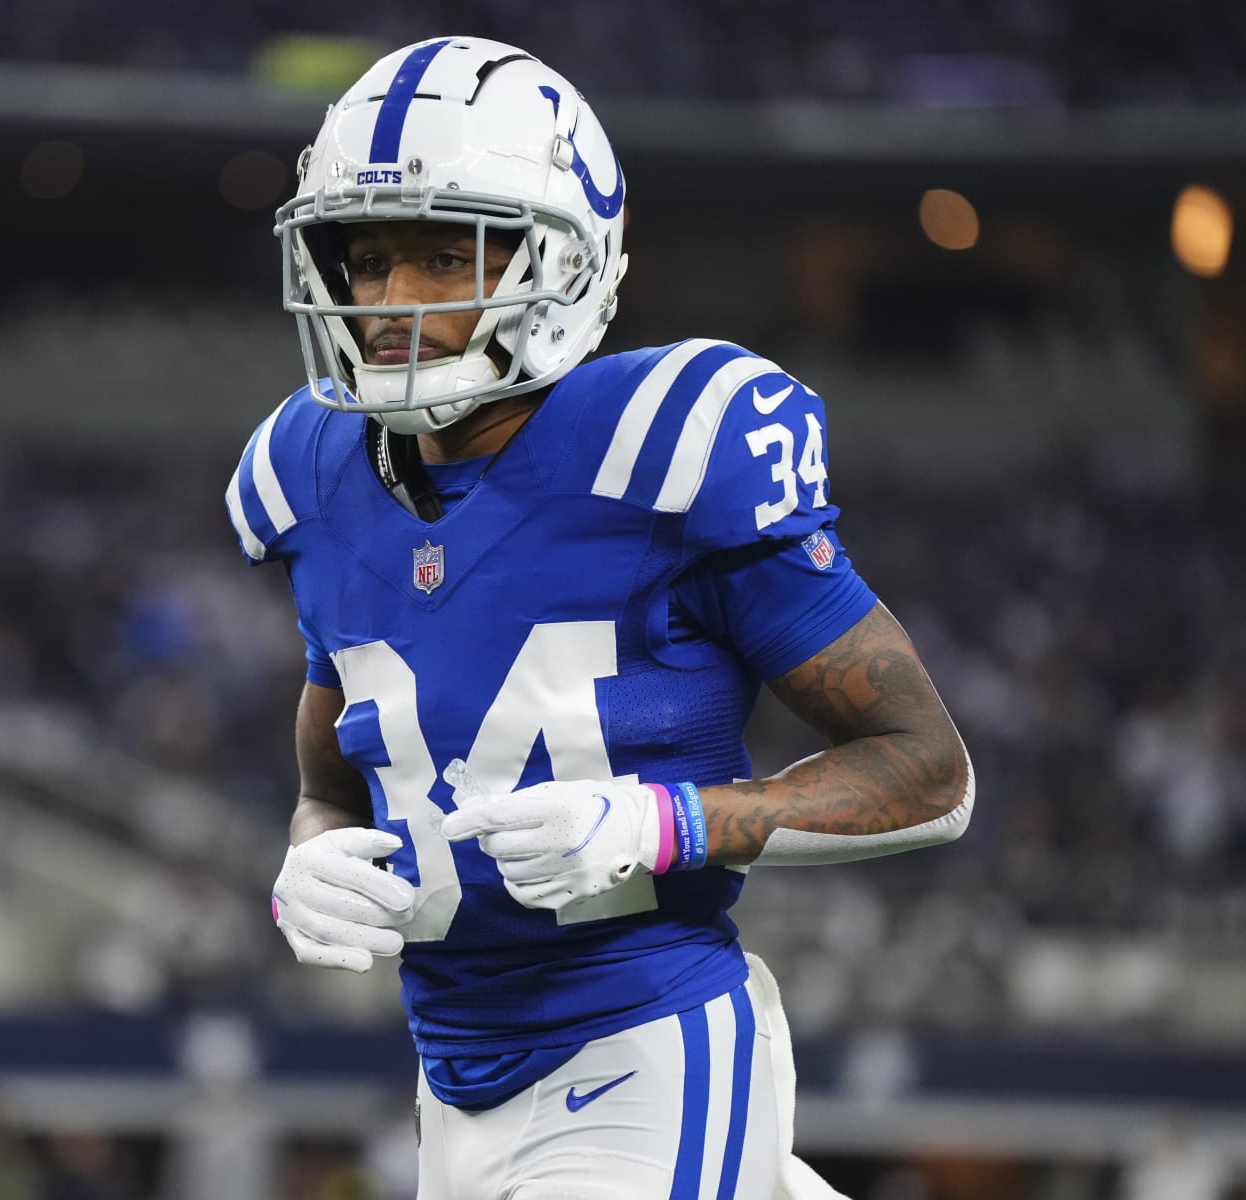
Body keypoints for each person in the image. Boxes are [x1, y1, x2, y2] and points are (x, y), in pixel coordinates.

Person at [226, 36, 974, 1200]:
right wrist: (306, 852)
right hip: (450, 1084)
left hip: (647, 1045)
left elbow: (930, 771)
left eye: (445, 253)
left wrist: (664, 824)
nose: (388, 301)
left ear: (564, 262)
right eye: (366, 258)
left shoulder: (669, 446)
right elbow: (335, 772)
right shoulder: (308, 477)